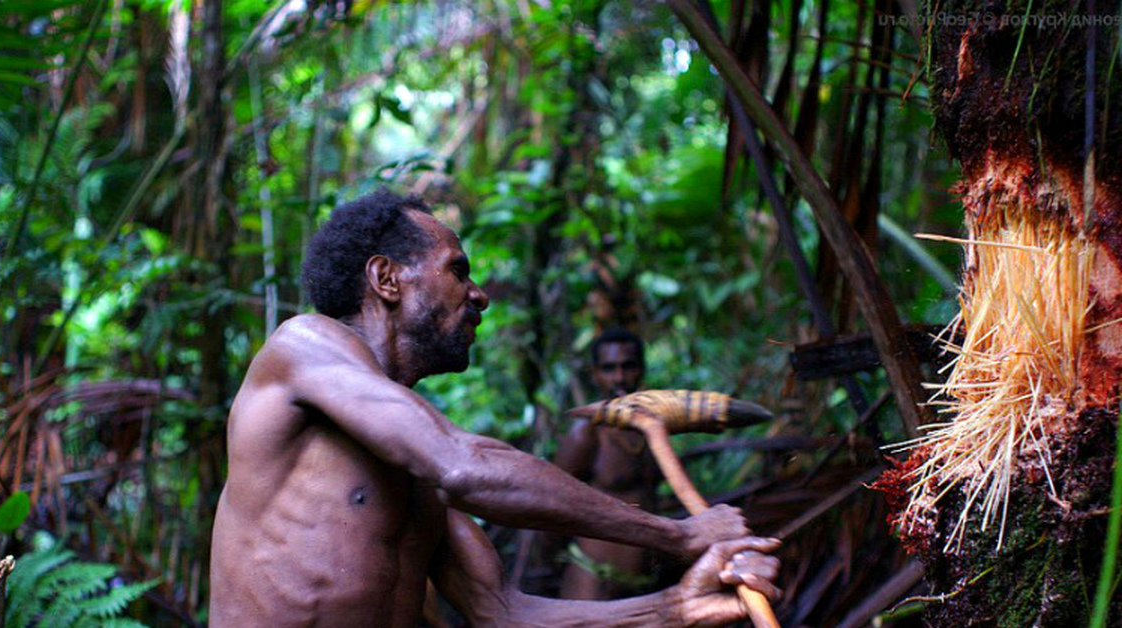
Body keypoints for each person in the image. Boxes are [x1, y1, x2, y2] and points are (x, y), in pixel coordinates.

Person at [208, 189, 780, 627]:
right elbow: (464, 463)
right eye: (458, 269)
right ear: (386, 278)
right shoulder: (302, 345)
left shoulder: (413, 467)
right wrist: (678, 536)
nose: (478, 293)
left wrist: (678, 606)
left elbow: (504, 615)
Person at [553, 328, 661, 600]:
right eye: (609, 368)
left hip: (643, 586)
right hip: (593, 582)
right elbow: (552, 502)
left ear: (642, 370)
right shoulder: (586, 432)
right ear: (595, 374)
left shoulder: (652, 426)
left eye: (628, 367)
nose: (620, 378)